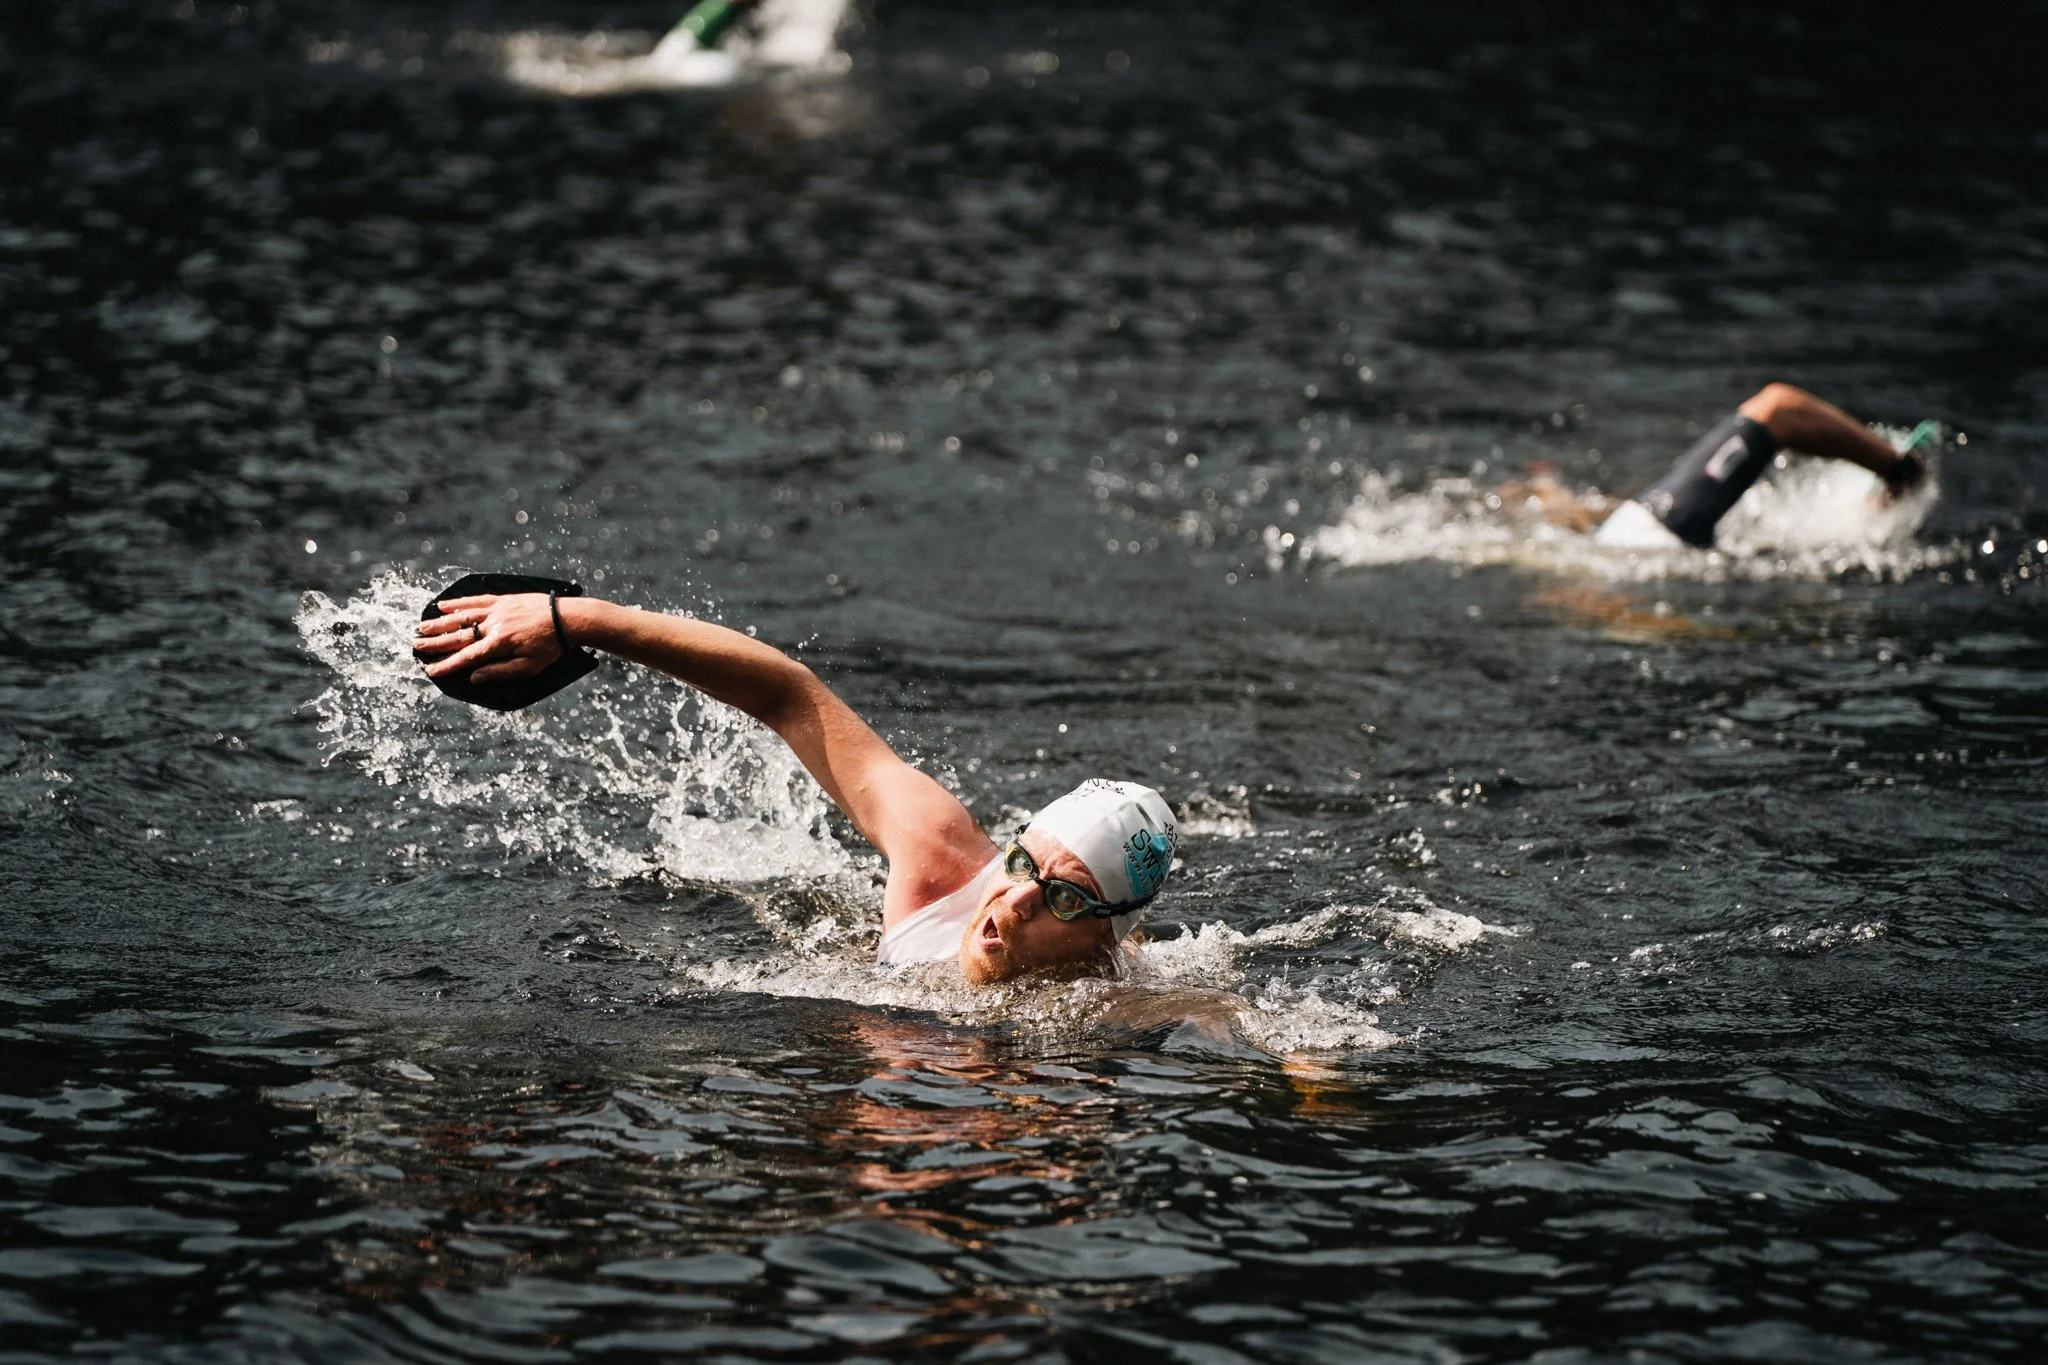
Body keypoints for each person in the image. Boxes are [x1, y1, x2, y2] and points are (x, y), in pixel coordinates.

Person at [411, 596, 1179, 985]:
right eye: (1020, 864)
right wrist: (577, 619)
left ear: (1104, 942)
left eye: (1067, 900)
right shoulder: (942, 865)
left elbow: (1252, 1025)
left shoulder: (1119, 999)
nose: (1012, 902)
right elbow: (788, 694)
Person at [1501, 382, 1933, 548]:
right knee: (1777, 409)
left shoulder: (1583, 538)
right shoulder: (1630, 536)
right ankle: (1902, 472)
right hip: (1656, 533)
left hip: (1651, 536)